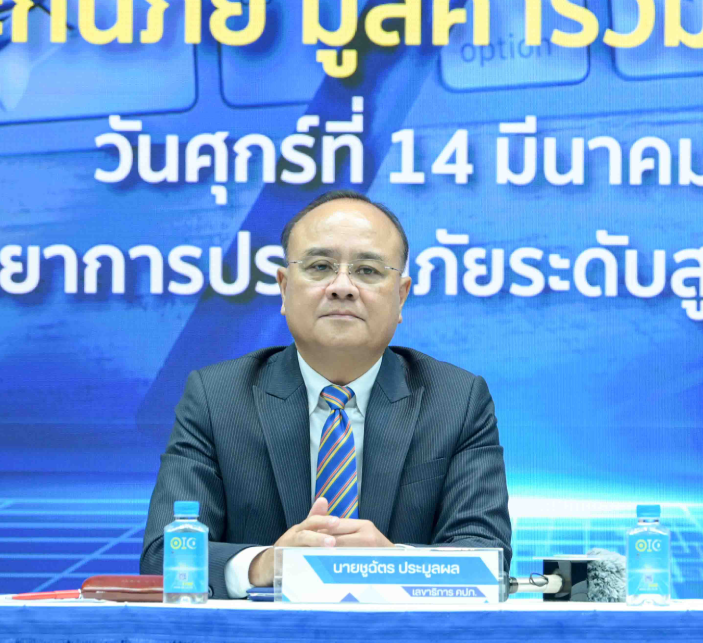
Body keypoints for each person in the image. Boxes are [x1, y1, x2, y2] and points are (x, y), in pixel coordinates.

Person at [140, 191, 511, 598]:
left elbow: (486, 557)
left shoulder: (457, 401)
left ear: (401, 295)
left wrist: (393, 563)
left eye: (368, 270)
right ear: (284, 288)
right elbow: (164, 555)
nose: (342, 287)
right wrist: (265, 564)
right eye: (320, 267)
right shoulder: (218, 398)